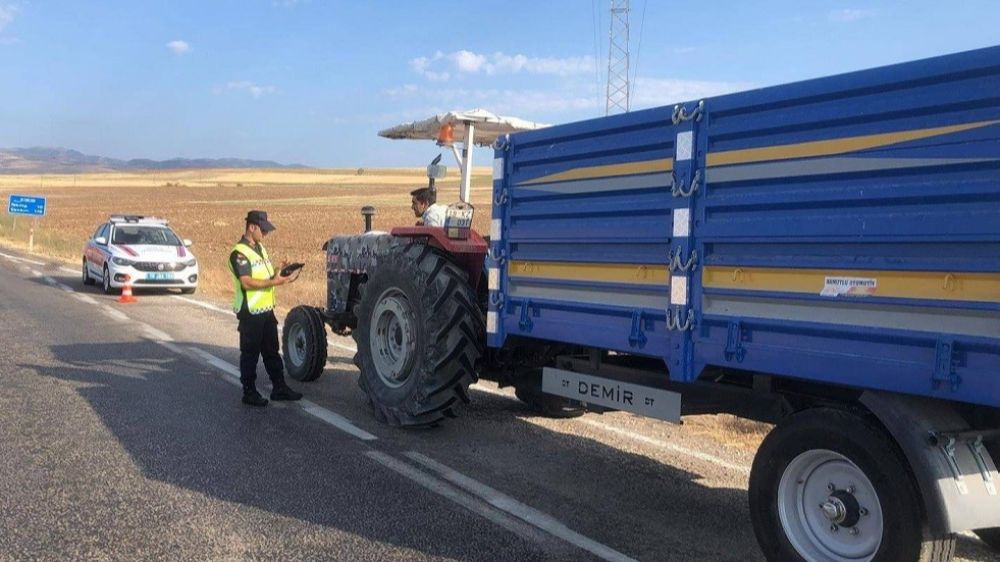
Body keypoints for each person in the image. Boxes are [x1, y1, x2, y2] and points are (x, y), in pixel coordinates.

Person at [227, 210, 303, 407]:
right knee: (250, 353)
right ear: (252, 227)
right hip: (250, 311)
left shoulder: (260, 248)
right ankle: (249, 392)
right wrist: (275, 282)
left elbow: (267, 275)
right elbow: (246, 282)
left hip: (266, 310)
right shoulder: (239, 253)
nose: (266, 234)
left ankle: (279, 388)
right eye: (263, 230)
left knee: (272, 351)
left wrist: (280, 271)